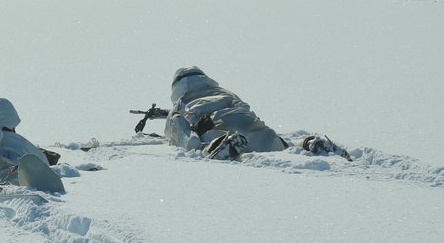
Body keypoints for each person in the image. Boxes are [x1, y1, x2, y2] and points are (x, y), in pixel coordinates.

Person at [135, 66, 350, 160]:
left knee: (206, 145)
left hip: (223, 135)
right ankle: (310, 145)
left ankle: (222, 146)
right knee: (285, 148)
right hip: (264, 135)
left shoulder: (180, 105)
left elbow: (180, 133)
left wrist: (190, 140)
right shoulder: (225, 92)